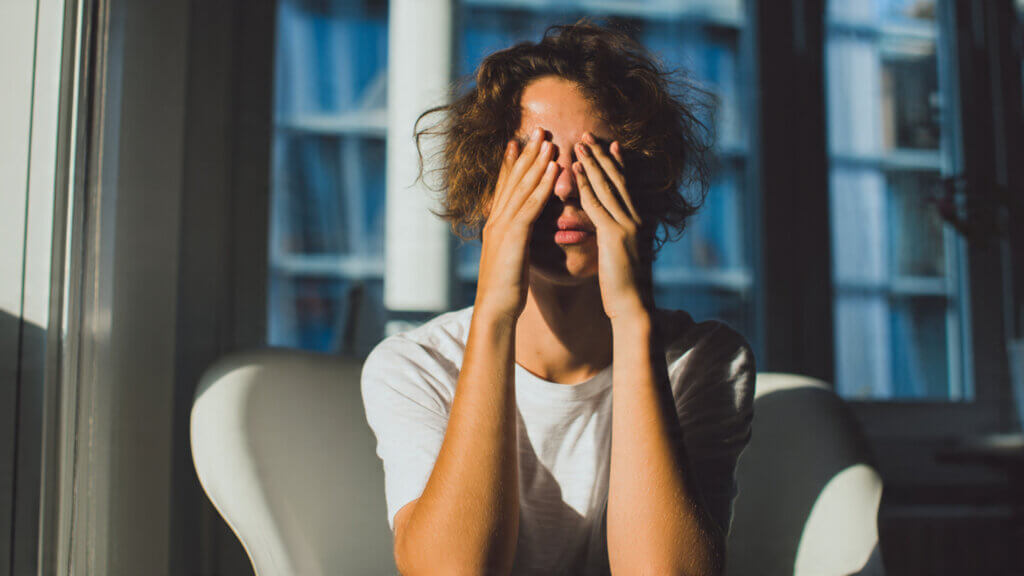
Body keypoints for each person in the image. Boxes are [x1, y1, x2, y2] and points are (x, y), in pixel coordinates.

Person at [360, 20, 755, 576]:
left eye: (595, 160)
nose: (565, 189)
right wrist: (495, 310)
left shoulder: (706, 361)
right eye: (537, 161)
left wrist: (632, 318)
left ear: (643, 180)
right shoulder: (414, 366)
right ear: (488, 182)